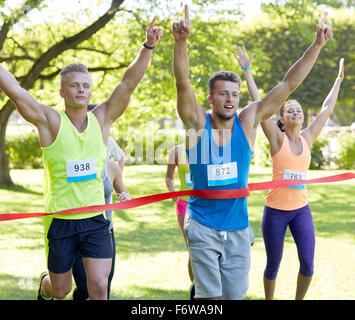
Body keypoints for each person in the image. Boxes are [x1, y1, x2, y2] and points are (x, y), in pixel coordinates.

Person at [172, 4, 332, 300]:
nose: (230, 99)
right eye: (223, 93)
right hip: (202, 225)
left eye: (234, 93)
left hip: (237, 228)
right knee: (210, 297)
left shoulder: (247, 122)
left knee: (234, 295)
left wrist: (317, 45)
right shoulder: (196, 122)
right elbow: (182, 84)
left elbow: (288, 83)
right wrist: (180, 43)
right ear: (211, 98)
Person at [0, 16, 162, 300]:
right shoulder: (49, 122)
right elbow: (15, 89)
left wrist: (147, 46)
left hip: (96, 219)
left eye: (86, 85)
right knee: (61, 291)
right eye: (74, 85)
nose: (81, 89)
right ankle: (45, 284)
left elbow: (127, 84)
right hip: (60, 220)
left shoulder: (101, 120)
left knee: (99, 286)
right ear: (62, 91)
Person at [236, 46, 345, 300]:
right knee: (273, 265)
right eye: (290, 110)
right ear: (282, 119)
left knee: (308, 263)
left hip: (301, 210)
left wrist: (338, 81)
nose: (296, 112)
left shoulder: (308, 138)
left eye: (298, 109)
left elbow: (327, 109)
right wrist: (247, 71)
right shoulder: (276, 138)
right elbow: (259, 104)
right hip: (275, 212)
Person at [72, 159, 131, 300]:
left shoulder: (112, 167)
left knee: (104, 286)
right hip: (79, 231)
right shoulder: (78, 163)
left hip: (105, 232)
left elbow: (124, 192)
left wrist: (126, 197)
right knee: (85, 288)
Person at [165, 143, 194, 295]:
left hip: (205, 204)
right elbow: (169, 177)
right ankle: (195, 288)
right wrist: (173, 193)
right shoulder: (176, 151)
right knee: (192, 248)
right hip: (184, 205)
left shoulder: (208, 148)